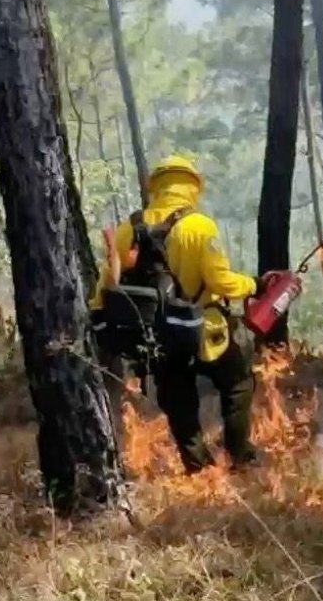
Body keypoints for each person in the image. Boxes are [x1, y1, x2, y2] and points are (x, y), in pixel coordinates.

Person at [91, 155, 270, 474]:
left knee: (179, 402)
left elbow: (107, 287)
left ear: (154, 187)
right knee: (238, 382)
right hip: (205, 331)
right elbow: (221, 282)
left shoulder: (127, 230)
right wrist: (254, 285)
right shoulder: (200, 227)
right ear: (192, 186)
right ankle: (240, 456)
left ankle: (199, 468)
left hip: (157, 337)